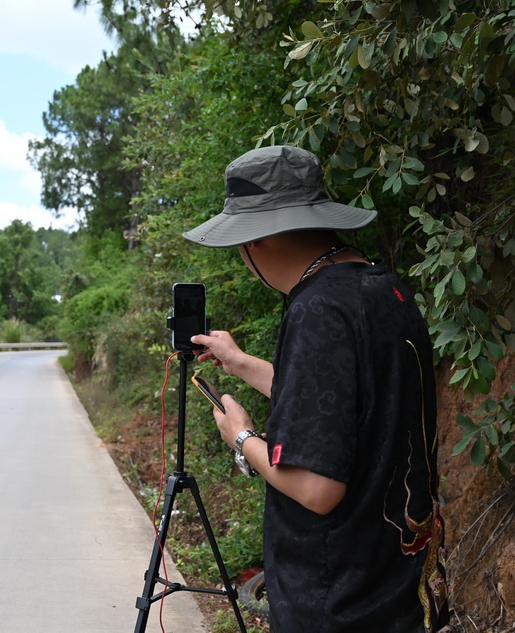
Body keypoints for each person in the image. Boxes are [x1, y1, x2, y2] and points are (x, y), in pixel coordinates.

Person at [183, 145, 449, 633]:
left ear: (254, 242)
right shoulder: (382, 289)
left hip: (334, 601)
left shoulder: (316, 309)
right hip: (394, 587)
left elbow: (317, 488)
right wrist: (240, 363)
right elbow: (343, 406)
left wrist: (242, 439)